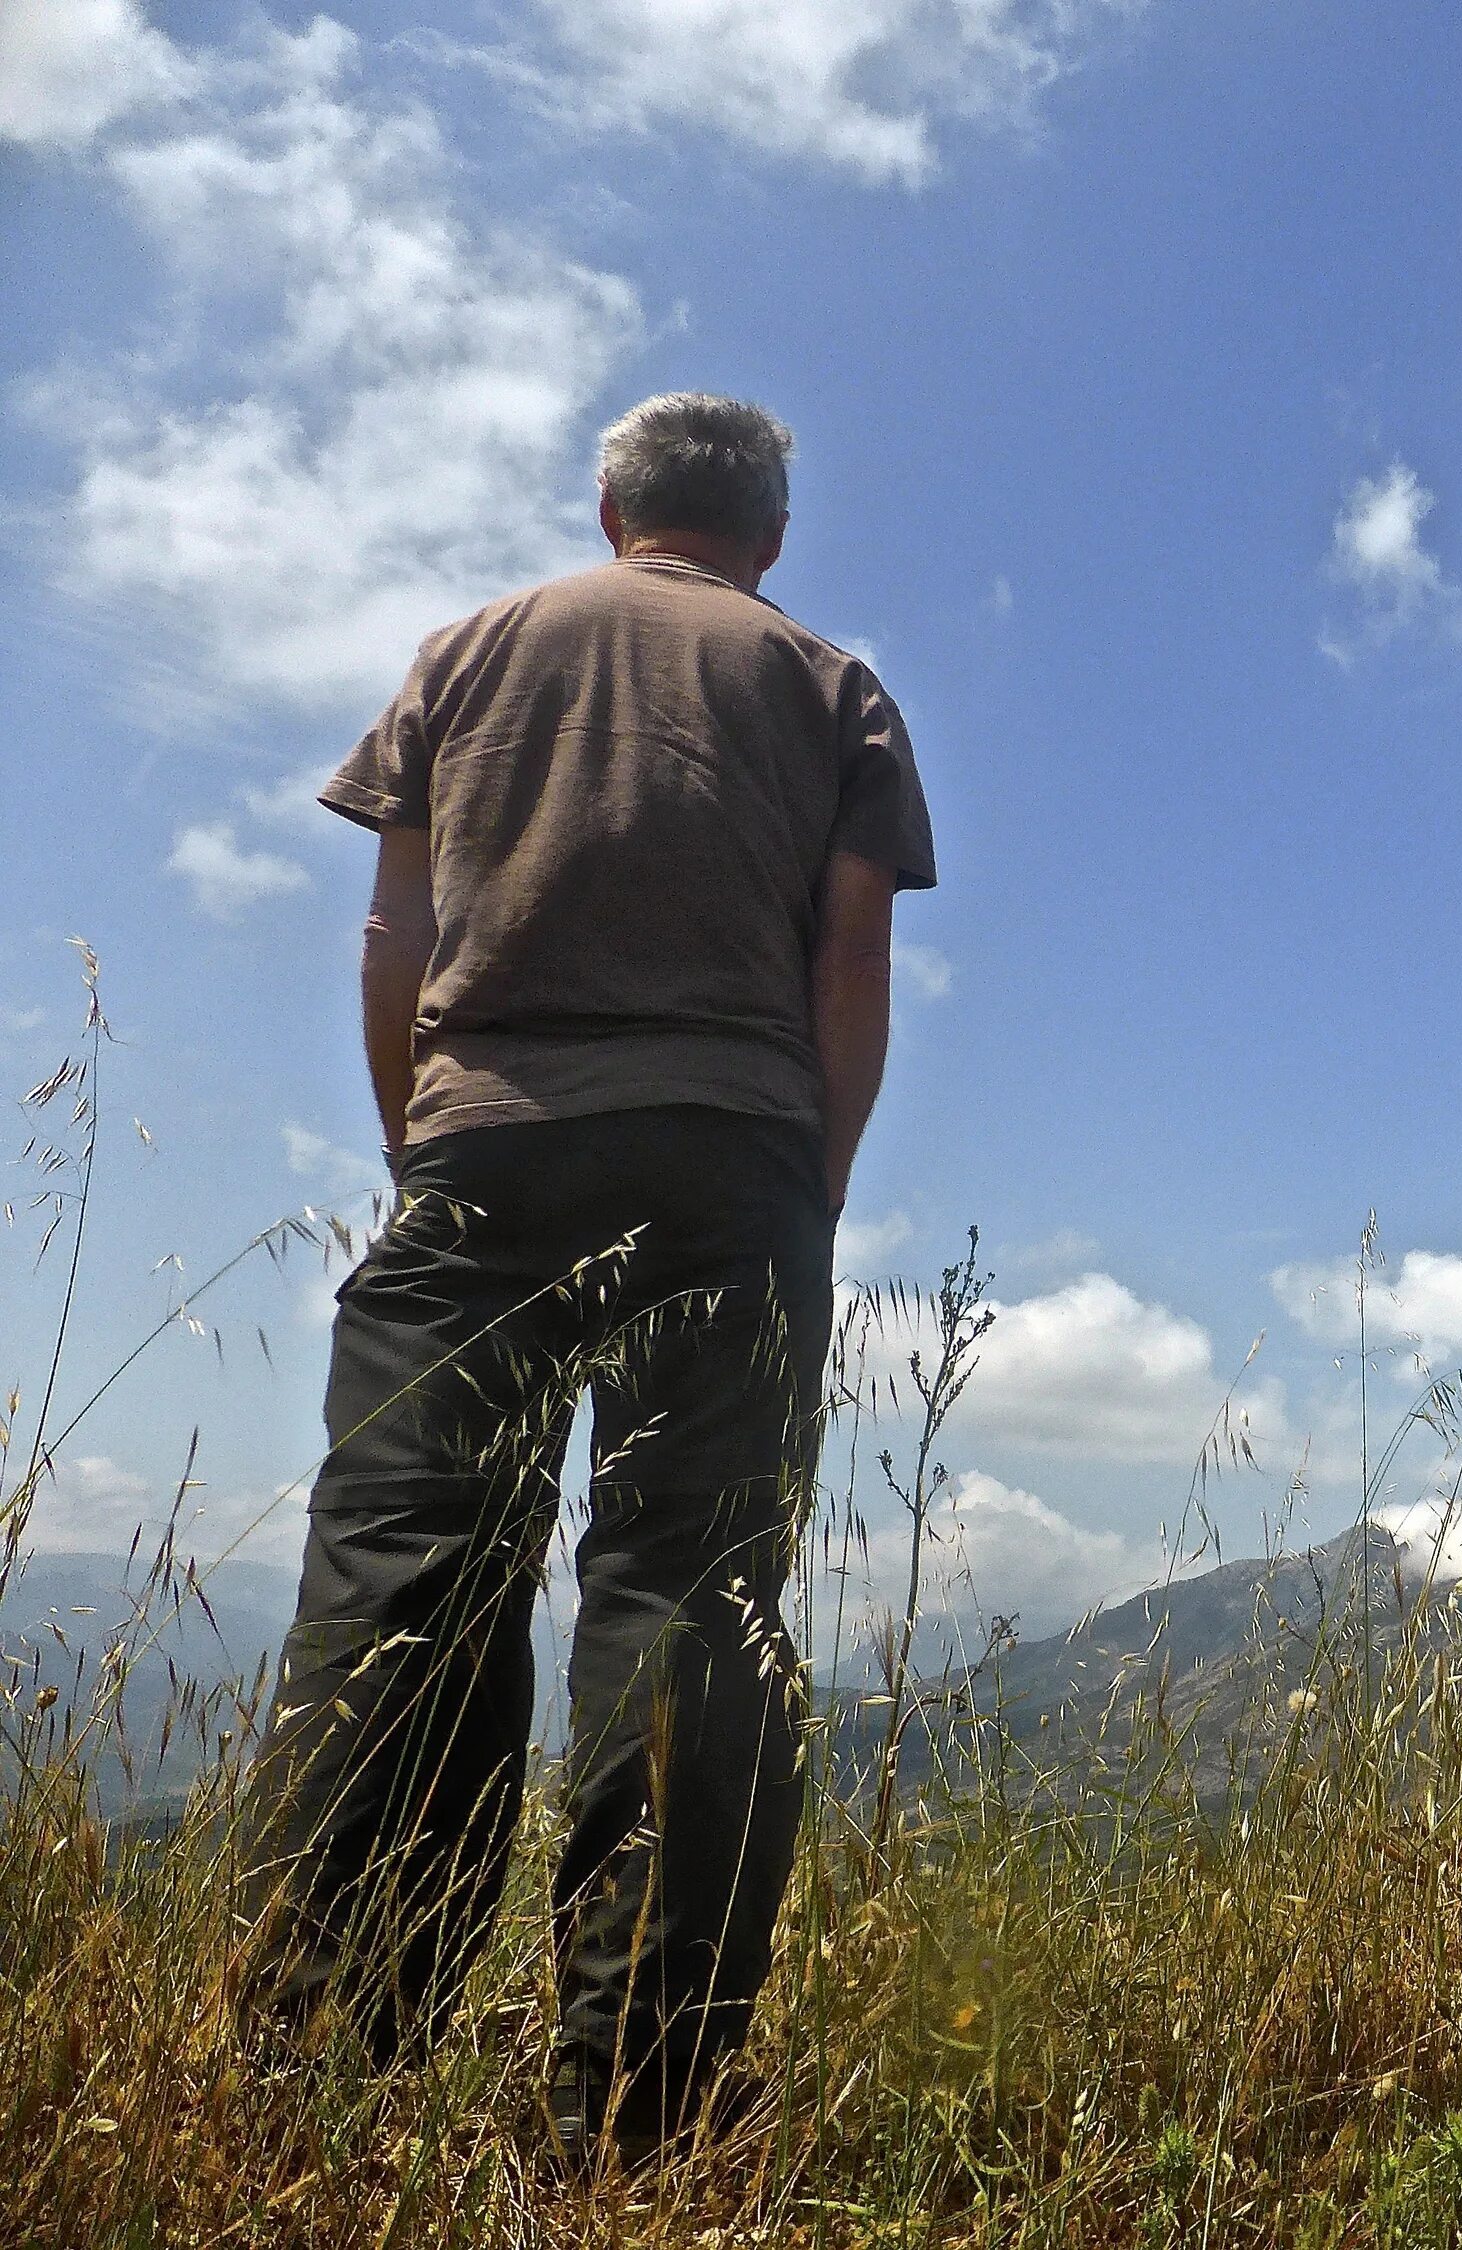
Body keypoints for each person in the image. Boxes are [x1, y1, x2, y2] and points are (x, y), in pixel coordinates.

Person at [239, 391, 936, 2168]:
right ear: (768, 533)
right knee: (696, 1608)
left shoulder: (467, 654)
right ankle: (637, 2113)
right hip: (736, 1162)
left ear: (608, 504)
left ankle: (321, 2084)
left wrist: (431, 1153)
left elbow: (395, 933)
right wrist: (811, 1186)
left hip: (484, 1145)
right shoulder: (830, 685)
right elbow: (849, 960)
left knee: (404, 1587)